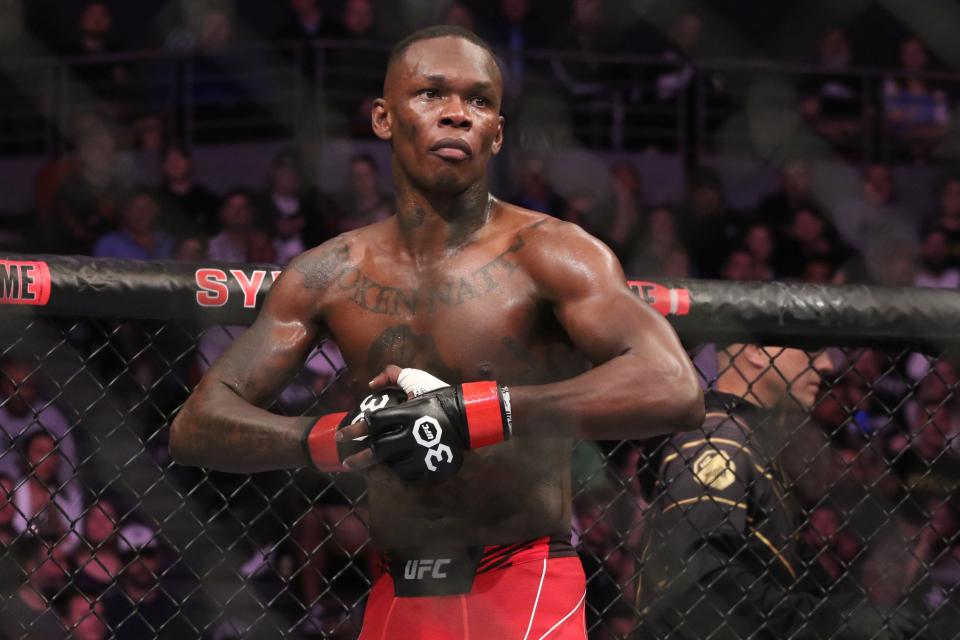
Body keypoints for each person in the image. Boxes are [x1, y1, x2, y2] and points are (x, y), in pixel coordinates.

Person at [170, 25, 702, 639]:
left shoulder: (554, 252)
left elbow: (675, 386)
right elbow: (196, 424)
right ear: (383, 118)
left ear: (497, 133)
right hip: (399, 591)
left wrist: (480, 411)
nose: (456, 115)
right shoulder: (329, 272)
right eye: (430, 94)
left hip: (521, 582)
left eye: (479, 101)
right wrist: (334, 440)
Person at [636, 344, 924, 639]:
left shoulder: (751, 445)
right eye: (810, 350)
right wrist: (835, 620)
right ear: (757, 352)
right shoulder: (721, 441)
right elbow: (700, 583)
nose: (825, 364)